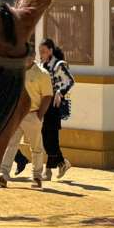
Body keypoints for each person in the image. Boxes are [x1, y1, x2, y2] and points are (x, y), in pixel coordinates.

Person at [0, 53, 54, 189]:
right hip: (16, 115)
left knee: (36, 147)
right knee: (11, 144)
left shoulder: (42, 74)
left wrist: (39, 115)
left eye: (28, 56)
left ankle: (37, 176)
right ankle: (3, 175)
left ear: (33, 56)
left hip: (32, 114)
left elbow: (47, 96)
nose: (26, 58)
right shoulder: (17, 71)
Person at [38, 38, 74, 181]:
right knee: (46, 137)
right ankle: (60, 164)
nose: (41, 54)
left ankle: (51, 170)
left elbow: (70, 80)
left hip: (53, 105)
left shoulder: (58, 65)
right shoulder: (41, 64)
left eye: (44, 51)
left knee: (50, 138)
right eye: (40, 52)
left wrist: (60, 92)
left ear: (51, 51)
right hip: (43, 103)